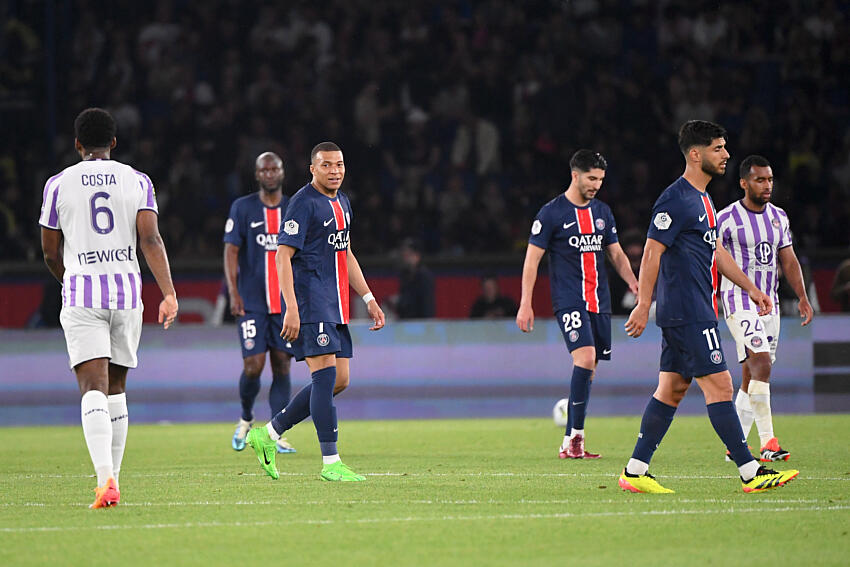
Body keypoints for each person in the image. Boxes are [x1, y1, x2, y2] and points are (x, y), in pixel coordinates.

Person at [619, 120, 798, 494]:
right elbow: (652, 250)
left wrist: (750, 288)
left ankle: (635, 471)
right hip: (686, 310)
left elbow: (716, 251)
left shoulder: (704, 200)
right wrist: (643, 303)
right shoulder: (675, 199)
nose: (726, 154)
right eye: (718, 148)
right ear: (696, 154)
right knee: (720, 384)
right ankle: (751, 471)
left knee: (671, 390)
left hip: (695, 308)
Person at [39, 108, 178, 508]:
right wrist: (167, 293)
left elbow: (50, 251)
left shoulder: (58, 184)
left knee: (91, 388)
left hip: (83, 292)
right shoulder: (138, 180)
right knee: (116, 389)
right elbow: (150, 240)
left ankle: (105, 480)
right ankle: (113, 479)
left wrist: (71, 278)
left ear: (77, 144)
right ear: (114, 143)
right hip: (127, 295)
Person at [246, 142, 385, 482]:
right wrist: (290, 308)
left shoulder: (343, 202)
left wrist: (367, 298)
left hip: (336, 304)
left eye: (339, 164)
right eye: (326, 165)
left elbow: (346, 253)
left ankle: (269, 433)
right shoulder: (303, 203)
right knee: (323, 379)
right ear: (313, 168)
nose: (334, 170)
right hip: (311, 302)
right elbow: (282, 255)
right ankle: (331, 462)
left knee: (339, 380)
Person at [516, 150, 638, 459]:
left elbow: (616, 253)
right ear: (575, 175)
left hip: (600, 300)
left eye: (600, 179)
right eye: (591, 178)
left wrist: (632, 281)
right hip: (570, 299)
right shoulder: (551, 213)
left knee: (591, 368)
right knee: (585, 359)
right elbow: (532, 261)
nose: (596, 184)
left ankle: (571, 440)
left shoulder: (603, 213)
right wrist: (525, 302)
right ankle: (576, 438)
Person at [717, 155, 813, 462]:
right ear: (744, 183)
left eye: (770, 179)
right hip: (738, 302)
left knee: (751, 374)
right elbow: (715, 258)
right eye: (760, 180)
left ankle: (735, 445)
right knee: (761, 363)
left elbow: (788, 259)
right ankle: (768, 441)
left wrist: (802, 295)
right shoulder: (726, 218)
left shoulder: (779, 217)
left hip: (768, 304)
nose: (767, 185)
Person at [223, 152, 296, 454]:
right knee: (253, 366)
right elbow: (230, 251)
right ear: (256, 175)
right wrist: (233, 292)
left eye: (274, 169)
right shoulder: (242, 208)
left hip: (285, 303)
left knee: (281, 363)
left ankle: (276, 432)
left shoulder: (294, 207)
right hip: (252, 302)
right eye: (263, 170)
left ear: (282, 172)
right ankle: (246, 419)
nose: (269, 174)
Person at [396, 238, 435, 319]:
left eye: (408, 254)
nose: (405, 257)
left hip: (421, 322)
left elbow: (427, 304)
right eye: (404, 254)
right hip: (405, 322)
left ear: (417, 256)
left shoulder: (424, 276)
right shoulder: (405, 275)